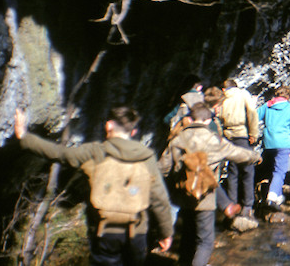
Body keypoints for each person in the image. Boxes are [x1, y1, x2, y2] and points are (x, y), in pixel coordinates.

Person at [14, 107, 173, 265]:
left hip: (104, 231)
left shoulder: (95, 152)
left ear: (108, 126)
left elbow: (59, 153)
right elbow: (159, 198)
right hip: (136, 232)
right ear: (132, 132)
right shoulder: (146, 157)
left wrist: (24, 137)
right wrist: (166, 232)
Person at [159, 103, 260, 266]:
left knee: (187, 237)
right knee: (205, 241)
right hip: (205, 198)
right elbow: (237, 154)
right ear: (207, 121)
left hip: (183, 196)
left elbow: (163, 168)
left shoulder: (178, 139)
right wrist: (255, 157)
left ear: (191, 119)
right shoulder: (214, 139)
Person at [217, 79, 260, 220]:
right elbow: (252, 112)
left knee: (232, 172)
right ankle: (247, 206)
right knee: (247, 170)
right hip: (242, 135)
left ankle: (232, 203)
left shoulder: (222, 98)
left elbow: (218, 117)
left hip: (227, 137)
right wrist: (254, 133)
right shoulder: (243, 94)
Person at [257, 85, 290, 210]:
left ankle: (278, 195)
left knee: (272, 169)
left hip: (268, 143)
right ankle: (271, 197)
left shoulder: (268, 106)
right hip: (284, 143)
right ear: (288, 96)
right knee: (279, 171)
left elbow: (255, 116)